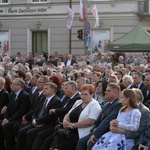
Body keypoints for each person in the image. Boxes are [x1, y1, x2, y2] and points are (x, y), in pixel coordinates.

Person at [49, 84, 101, 150]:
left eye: (85, 94)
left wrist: (73, 125)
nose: (83, 96)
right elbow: (68, 113)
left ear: (92, 94)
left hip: (80, 132)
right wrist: (65, 121)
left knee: (64, 144)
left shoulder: (95, 105)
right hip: (68, 130)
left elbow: (91, 121)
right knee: (53, 140)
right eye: (81, 94)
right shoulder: (78, 102)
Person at [76, 83, 122, 150]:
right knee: (81, 142)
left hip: (107, 132)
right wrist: (95, 129)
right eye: (106, 90)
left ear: (116, 93)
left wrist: (95, 134)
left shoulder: (118, 105)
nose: (105, 92)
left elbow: (107, 121)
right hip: (98, 131)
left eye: (108, 91)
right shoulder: (107, 105)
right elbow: (98, 120)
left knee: (89, 144)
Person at [17, 82, 62, 150]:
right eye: (44, 88)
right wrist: (34, 120)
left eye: (46, 88)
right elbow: (35, 112)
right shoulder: (43, 98)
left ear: (53, 90)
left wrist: (37, 121)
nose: (44, 90)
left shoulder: (56, 101)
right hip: (37, 122)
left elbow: (50, 117)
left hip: (47, 124)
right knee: (22, 130)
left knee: (30, 133)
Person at [0, 78, 31, 150]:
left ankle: (10, 147)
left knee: (6, 126)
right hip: (12, 117)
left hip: (19, 118)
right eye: (12, 83)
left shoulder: (25, 96)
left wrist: (9, 120)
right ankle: (2, 146)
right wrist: (6, 118)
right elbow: (9, 109)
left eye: (14, 84)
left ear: (20, 86)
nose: (12, 85)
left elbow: (21, 111)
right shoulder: (12, 94)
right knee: (2, 123)